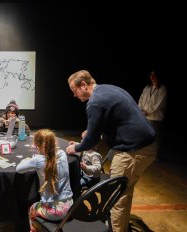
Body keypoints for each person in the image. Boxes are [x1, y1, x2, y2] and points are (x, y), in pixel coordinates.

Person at [65, 70, 155, 232]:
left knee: (116, 198)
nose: (75, 95)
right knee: (125, 193)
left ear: (83, 85)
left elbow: (92, 139)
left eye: (74, 91)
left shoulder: (95, 102)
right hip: (147, 146)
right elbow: (97, 133)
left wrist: (76, 148)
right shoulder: (108, 89)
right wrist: (85, 141)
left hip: (133, 150)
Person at [16, 129, 73, 232]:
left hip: (53, 212)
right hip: (69, 208)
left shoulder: (38, 160)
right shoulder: (62, 154)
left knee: (32, 208)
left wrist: (28, 159)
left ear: (38, 146)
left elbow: (19, 169)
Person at [138, 70, 167, 161]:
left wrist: (148, 111)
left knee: (156, 138)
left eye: (153, 75)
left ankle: (155, 155)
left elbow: (159, 105)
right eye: (150, 75)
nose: (151, 77)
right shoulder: (147, 88)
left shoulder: (162, 89)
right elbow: (141, 100)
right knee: (145, 136)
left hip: (155, 118)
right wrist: (140, 109)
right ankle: (145, 153)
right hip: (145, 117)